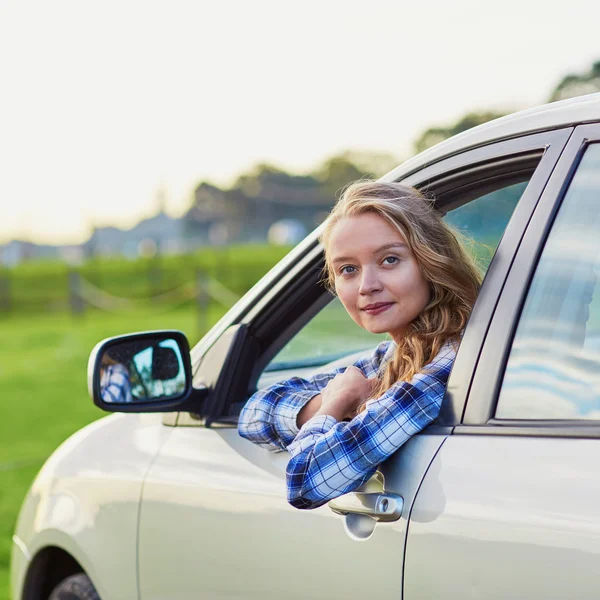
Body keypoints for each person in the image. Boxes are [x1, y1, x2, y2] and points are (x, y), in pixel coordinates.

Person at [238, 181, 482, 509]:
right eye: (348, 269)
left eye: (389, 260)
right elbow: (253, 414)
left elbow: (306, 480)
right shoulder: (392, 357)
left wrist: (332, 408)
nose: (367, 286)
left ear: (430, 262)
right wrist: (333, 399)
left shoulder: (446, 368)